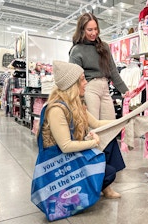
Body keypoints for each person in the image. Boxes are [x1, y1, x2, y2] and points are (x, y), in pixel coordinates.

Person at [40, 60, 125, 198]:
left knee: (110, 142)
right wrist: (94, 142)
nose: (86, 82)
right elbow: (66, 146)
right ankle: (97, 184)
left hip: (72, 155)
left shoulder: (75, 104)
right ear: (72, 84)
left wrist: (122, 122)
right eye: (82, 79)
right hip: (62, 163)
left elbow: (96, 123)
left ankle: (106, 188)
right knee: (108, 171)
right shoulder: (56, 109)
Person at [69, 13, 129, 120]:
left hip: (105, 88)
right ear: (82, 30)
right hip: (89, 88)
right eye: (90, 30)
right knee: (93, 126)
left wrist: (125, 90)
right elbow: (74, 79)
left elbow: (113, 71)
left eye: (96, 29)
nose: (94, 33)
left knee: (110, 124)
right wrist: (79, 100)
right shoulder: (76, 50)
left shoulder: (104, 47)